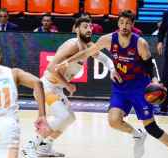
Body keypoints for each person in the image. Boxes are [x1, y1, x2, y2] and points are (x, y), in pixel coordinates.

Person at [62, 10, 168, 158]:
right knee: (113, 121)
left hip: (140, 87)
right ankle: (137, 135)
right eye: (122, 23)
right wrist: (68, 60)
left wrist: (155, 80)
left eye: (128, 23)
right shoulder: (107, 39)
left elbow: (150, 65)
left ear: (132, 25)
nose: (124, 26)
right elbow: (88, 52)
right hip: (120, 87)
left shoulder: (140, 43)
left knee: (152, 128)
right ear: (118, 23)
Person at [22, 16, 115, 157]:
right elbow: (51, 67)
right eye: (85, 26)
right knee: (63, 116)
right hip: (46, 87)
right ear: (76, 29)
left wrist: (112, 70)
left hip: (57, 89)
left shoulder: (89, 47)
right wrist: (68, 85)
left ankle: (45, 147)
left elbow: (105, 59)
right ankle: (32, 144)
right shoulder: (72, 45)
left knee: (70, 118)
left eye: (90, 26)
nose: (89, 29)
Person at [0, 43, 49, 158]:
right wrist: (42, 115)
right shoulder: (14, 72)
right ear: (0, 58)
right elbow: (38, 83)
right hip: (7, 128)